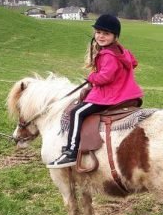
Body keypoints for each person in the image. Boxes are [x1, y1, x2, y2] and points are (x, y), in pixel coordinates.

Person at [47, 14, 144, 168]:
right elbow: (133, 63)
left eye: (106, 33)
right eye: (98, 32)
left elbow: (105, 77)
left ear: (114, 36)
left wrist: (92, 77)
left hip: (110, 96)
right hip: (126, 93)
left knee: (76, 112)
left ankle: (71, 152)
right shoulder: (121, 51)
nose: (101, 36)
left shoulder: (108, 54)